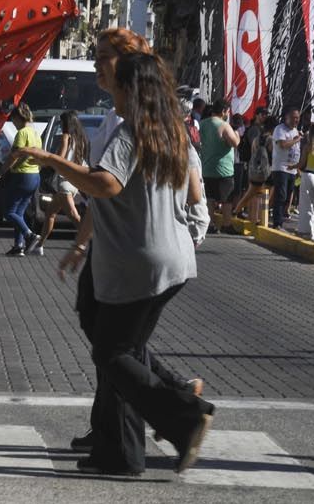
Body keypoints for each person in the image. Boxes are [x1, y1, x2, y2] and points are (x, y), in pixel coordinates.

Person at [17, 52, 214, 476]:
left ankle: (183, 416)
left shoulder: (132, 132)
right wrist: (82, 246)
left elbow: (105, 183)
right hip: (172, 259)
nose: (112, 93)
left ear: (130, 89)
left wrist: (51, 159)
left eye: (117, 84)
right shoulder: (170, 131)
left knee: (112, 352)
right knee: (124, 351)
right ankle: (122, 451)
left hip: (139, 263)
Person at [31, 111, 89, 258]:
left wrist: (46, 161)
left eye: (62, 123)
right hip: (73, 180)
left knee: (74, 216)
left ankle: (90, 243)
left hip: (64, 181)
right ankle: (40, 245)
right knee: (50, 213)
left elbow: (60, 157)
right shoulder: (81, 139)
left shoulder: (66, 137)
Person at [0, 103, 42, 256]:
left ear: (17, 117)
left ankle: (29, 235)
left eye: (12, 119)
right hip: (34, 176)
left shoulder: (22, 133)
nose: (12, 123)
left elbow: (13, 157)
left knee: (9, 212)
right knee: (19, 213)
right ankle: (18, 246)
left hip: (22, 176)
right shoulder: (35, 133)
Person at [199, 98, 241, 232]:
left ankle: (210, 224)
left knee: (210, 198)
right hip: (224, 169)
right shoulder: (224, 125)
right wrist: (237, 135)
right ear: (224, 111)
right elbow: (234, 143)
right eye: (227, 111)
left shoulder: (202, 124)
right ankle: (226, 224)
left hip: (206, 167)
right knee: (226, 199)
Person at [269, 108, 302, 229]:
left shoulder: (296, 131)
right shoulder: (280, 129)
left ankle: (281, 218)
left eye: (297, 118)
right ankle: (277, 222)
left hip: (292, 169)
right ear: (286, 118)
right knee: (280, 195)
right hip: (281, 168)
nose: (296, 120)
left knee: (288, 196)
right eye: (293, 118)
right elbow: (282, 145)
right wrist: (296, 140)